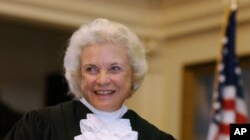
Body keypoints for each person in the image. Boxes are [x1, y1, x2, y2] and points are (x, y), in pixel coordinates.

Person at [5, 18, 175, 140]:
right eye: (91, 69)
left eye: (114, 68)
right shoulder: (39, 126)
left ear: (133, 75)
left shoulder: (156, 138)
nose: (102, 80)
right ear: (79, 75)